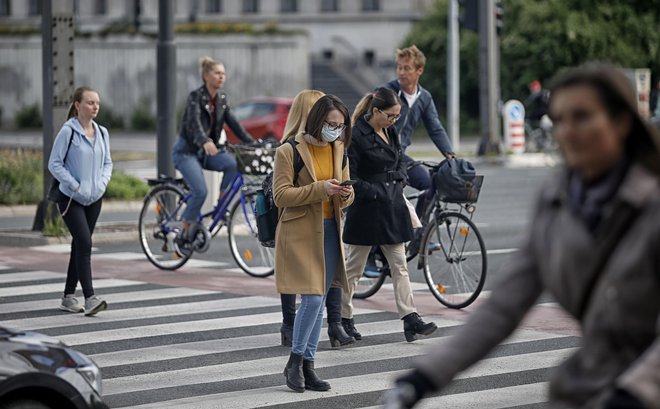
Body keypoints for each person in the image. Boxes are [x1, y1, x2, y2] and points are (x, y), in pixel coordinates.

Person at [383, 63, 660, 409]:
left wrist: (636, 392)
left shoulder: (651, 201)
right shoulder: (557, 198)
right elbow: (505, 304)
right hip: (589, 385)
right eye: (559, 120)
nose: (567, 132)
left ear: (622, 122)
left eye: (582, 117)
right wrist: (422, 377)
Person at [341, 88, 438, 343]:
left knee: (400, 266)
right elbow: (351, 177)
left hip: (392, 206)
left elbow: (400, 159)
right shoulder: (355, 136)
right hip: (366, 209)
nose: (395, 120)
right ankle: (343, 318)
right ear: (375, 112)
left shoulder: (390, 130)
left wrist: (401, 178)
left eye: (397, 116)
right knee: (354, 268)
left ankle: (410, 319)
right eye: (391, 116)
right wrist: (378, 190)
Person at [273, 94, 354, 392]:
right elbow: (281, 196)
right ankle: (296, 362)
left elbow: (347, 189)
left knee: (318, 301)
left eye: (340, 125)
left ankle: (307, 365)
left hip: (331, 229)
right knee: (312, 298)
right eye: (331, 124)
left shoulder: (339, 149)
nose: (336, 130)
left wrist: (345, 194)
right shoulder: (288, 150)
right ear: (317, 120)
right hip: (300, 232)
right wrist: (320, 189)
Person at [172, 56, 254, 246]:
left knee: (233, 164)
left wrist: (253, 143)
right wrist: (204, 140)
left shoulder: (222, 99)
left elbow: (235, 125)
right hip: (187, 152)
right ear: (206, 76)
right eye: (217, 73)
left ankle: (221, 205)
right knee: (200, 191)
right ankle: (184, 230)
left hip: (207, 152)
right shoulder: (195, 97)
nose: (221, 77)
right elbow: (193, 125)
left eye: (223, 74)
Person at [48, 86, 112, 316]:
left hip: (94, 199)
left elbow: (108, 163)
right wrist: (74, 185)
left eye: (97, 103)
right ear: (77, 105)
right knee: (84, 243)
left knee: (79, 245)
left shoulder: (102, 132)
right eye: (90, 102)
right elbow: (54, 164)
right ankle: (90, 297)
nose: (95, 106)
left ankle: (67, 296)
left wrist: (102, 184)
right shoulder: (69, 132)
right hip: (70, 198)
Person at [382, 45, 454, 218]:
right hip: (380, 154)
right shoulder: (387, 92)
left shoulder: (424, 97)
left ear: (419, 70)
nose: (401, 72)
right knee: (388, 198)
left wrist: (450, 155)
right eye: (399, 67)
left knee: (429, 185)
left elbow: (435, 128)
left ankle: (420, 237)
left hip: (399, 155)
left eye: (407, 68)